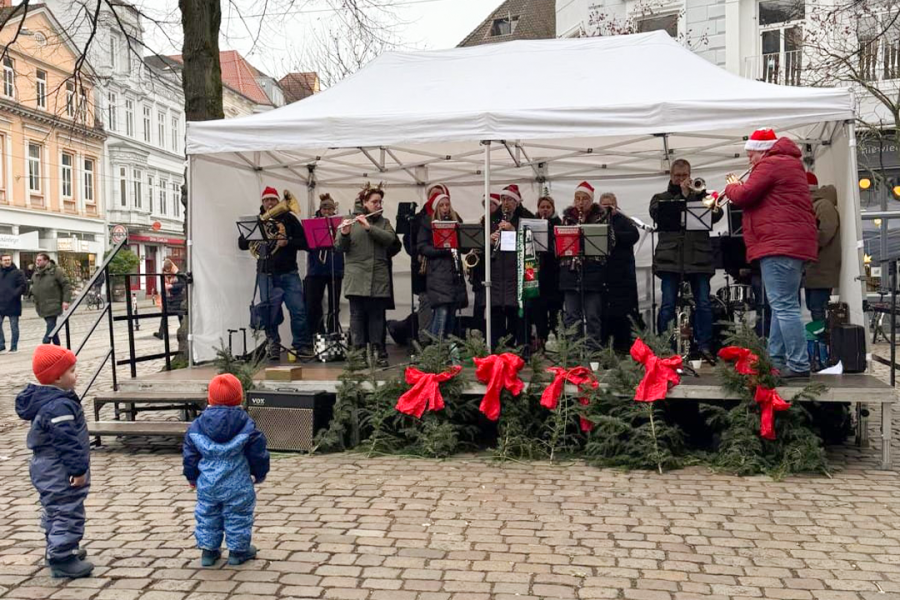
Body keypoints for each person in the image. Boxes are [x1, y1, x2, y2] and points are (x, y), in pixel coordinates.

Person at [724, 128, 818, 379]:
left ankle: (798, 365)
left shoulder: (771, 164)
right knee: (781, 305)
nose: (749, 160)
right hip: (790, 245)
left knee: (785, 307)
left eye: (751, 154)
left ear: (762, 150)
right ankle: (774, 361)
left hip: (779, 245)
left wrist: (732, 187)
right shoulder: (789, 163)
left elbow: (744, 195)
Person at [15, 345, 93, 578]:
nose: (76, 374)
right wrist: (78, 470)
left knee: (55, 509)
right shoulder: (58, 405)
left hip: (47, 466)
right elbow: (66, 441)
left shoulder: (54, 398)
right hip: (57, 468)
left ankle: (58, 547)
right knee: (66, 509)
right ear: (57, 377)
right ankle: (61, 557)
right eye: (71, 371)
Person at [183, 373, 269, 567]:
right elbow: (258, 452)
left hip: (208, 483)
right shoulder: (246, 424)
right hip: (238, 483)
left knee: (207, 515)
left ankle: (208, 552)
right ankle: (238, 552)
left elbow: (190, 455)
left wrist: (191, 476)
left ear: (210, 398)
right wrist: (260, 472)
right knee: (238, 515)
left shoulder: (197, 425)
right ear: (239, 397)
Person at [650, 159, 722, 364]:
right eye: (677, 176)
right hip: (670, 259)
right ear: (671, 176)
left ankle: (705, 346)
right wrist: (681, 197)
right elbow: (655, 213)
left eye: (684, 176)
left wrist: (695, 195)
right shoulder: (660, 198)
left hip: (699, 258)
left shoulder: (703, 197)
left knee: (704, 304)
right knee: (667, 305)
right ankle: (666, 347)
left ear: (690, 175)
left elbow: (717, 213)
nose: (681, 179)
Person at [238, 186, 313, 361]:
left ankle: (301, 345)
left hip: (289, 272)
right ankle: (272, 345)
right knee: (268, 312)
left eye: (273, 199)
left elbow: (306, 243)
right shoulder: (258, 220)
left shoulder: (289, 219)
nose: (270, 203)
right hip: (265, 272)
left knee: (298, 310)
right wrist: (252, 232)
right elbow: (242, 244)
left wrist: (288, 241)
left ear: (278, 201)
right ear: (262, 203)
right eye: (266, 200)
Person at [335, 184, 401, 367]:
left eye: (380, 201)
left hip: (377, 276)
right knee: (357, 316)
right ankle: (358, 355)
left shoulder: (384, 222)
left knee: (377, 316)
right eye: (374, 202)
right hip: (356, 277)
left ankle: (378, 352)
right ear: (364, 202)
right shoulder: (349, 219)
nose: (378, 205)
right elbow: (339, 247)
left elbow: (391, 240)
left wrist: (369, 228)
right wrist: (344, 233)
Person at [559, 182, 607, 351]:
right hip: (570, 274)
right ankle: (573, 351)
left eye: (584, 199)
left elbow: (610, 242)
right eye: (577, 198)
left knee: (592, 315)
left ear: (591, 201)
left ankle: (593, 351)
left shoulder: (601, 217)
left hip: (592, 272)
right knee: (572, 315)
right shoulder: (567, 218)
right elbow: (559, 245)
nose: (580, 202)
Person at [417, 188, 467, 341]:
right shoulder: (427, 223)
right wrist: (443, 249)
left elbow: (464, 246)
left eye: (447, 205)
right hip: (437, 274)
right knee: (441, 313)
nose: (445, 208)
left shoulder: (456, 222)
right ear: (436, 208)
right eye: (441, 205)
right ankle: (433, 347)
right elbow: (422, 247)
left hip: (454, 274)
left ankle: (444, 348)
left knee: (451, 314)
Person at [598, 193, 641, 353]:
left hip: (622, 274)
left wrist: (614, 235)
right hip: (605, 274)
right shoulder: (598, 221)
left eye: (609, 204)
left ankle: (623, 345)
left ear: (615, 205)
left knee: (623, 310)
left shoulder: (624, 220)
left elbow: (634, 235)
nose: (607, 207)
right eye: (604, 204)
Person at [488, 184, 529, 349]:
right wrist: (490, 241)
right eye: (503, 199)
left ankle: (517, 349)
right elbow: (480, 247)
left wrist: (513, 230)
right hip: (497, 275)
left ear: (517, 202)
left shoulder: (525, 220)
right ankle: (496, 349)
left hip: (515, 276)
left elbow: (530, 248)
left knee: (516, 315)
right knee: (496, 315)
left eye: (510, 200)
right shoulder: (490, 220)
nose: (505, 203)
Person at [305, 194, 344, 335]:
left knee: (334, 305)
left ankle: (333, 332)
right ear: (320, 209)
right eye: (324, 209)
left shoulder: (340, 224)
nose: (327, 212)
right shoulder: (313, 223)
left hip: (335, 268)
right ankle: (319, 333)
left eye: (330, 209)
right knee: (314, 303)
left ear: (334, 210)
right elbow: (307, 244)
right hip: (316, 269)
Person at [804, 172, 840, 323]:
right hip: (813, 267)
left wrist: (806, 247)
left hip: (821, 266)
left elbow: (826, 231)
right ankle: (820, 341)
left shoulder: (823, 205)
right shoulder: (815, 205)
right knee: (813, 307)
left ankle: (823, 342)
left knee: (818, 308)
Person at [528, 196, 563, 350]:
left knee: (555, 309)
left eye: (548, 207)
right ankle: (541, 339)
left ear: (553, 208)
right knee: (538, 310)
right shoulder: (532, 224)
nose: (545, 210)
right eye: (542, 207)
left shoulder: (558, 224)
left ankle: (555, 341)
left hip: (554, 273)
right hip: (537, 273)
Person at [31, 253, 71, 346]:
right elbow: (33, 285)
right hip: (41, 304)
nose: (37, 262)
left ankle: (46, 342)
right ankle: (57, 346)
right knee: (52, 327)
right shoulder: (36, 273)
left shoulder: (56, 271)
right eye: (37, 260)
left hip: (53, 303)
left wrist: (66, 300)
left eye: (40, 260)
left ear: (46, 261)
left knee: (51, 324)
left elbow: (66, 286)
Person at [0, 253, 26, 352]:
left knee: (14, 326)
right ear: (1, 261)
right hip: (1, 303)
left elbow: (23, 286)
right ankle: (1, 344)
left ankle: (14, 346)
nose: (7, 261)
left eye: (8, 260)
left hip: (13, 303)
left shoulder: (18, 272)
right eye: (5, 260)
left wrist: (14, 295)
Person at [154, 259, 185, 340]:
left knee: (180, 315)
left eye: (169, 270)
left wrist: (172, 286)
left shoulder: (178, 273)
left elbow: (183, 284)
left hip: (177, 297)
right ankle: (161, 333)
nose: (167, 272)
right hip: (168, 297)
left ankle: (183, 331)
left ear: (171, 268)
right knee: (164, 314)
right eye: (166, 271)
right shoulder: (164, 272)